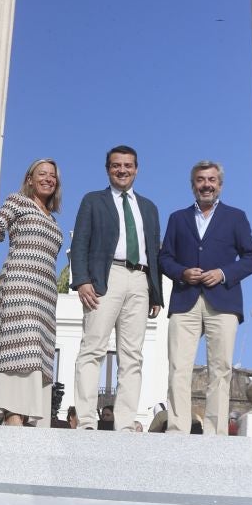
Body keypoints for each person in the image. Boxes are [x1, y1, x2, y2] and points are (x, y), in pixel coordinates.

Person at [159, 160, 252, 435]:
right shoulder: (177, 218)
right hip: (185, 300)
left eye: (211, 180)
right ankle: (177, 428)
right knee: (179, 367)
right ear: (193, 185)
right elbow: (164, 258)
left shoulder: (236, 217)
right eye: (201, 180)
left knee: (221, 368)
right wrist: (182, 273)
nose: (206, 184)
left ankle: (215, 432)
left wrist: (224, 273)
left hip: (223, 300)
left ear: (220, 185)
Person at [70, 147, 162, 431]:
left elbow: (153, 251)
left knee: (132, 355)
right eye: (116, 165)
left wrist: (155, 292)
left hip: (140, 280)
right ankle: (86, 420)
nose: (122, 170)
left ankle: (124, 423)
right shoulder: (93, 200)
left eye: (128, 165)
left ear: (137, 169)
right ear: (107, 169)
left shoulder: (148, 207)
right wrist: (82, 279)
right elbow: (80, 242)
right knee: (93, 348)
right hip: (104, 277)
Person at [0, 159, 64, 427]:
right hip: (20, 285)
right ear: (29, 179)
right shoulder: (17, 201)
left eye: (53, 176)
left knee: (38, 352)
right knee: (20, 346)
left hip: (46, 293)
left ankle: (28, 419)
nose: (48, 179)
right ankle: (13, 418)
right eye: (42, 174)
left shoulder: (53, 218)